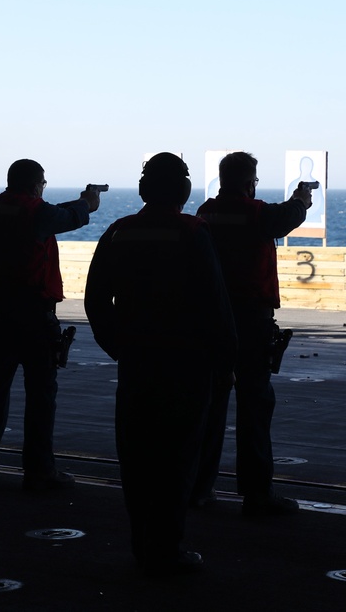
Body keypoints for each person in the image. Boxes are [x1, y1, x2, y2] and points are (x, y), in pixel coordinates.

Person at [84, 153, 236, 575]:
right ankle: (166, 549)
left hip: (137, 364)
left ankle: (142, 545)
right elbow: (216, 304)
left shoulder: (118, 232)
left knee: (137, 460)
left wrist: (119, 347)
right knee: (178, 459)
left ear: (143, 189)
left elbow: (96, 301)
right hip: (187, 367)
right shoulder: (192, 232)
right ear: (184, 191)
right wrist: (225, 360)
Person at [0, 159, 100, 490]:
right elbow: (66, 217)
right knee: (40, 393)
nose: (43, 189)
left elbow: (45, 213)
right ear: (35, 184)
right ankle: (39, 469)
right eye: (43, 184)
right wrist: (88, 203)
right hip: (31, 313)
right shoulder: (35, 212)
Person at [192, 151, 311, 516]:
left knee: (210, 404)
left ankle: (199, 488)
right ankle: (257, 493)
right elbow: (285, 218)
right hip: (250, 319)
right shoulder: (256, 213)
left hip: (211, 319)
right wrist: (301, 199)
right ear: (249, 182)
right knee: (255, 404)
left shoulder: (205, 213)